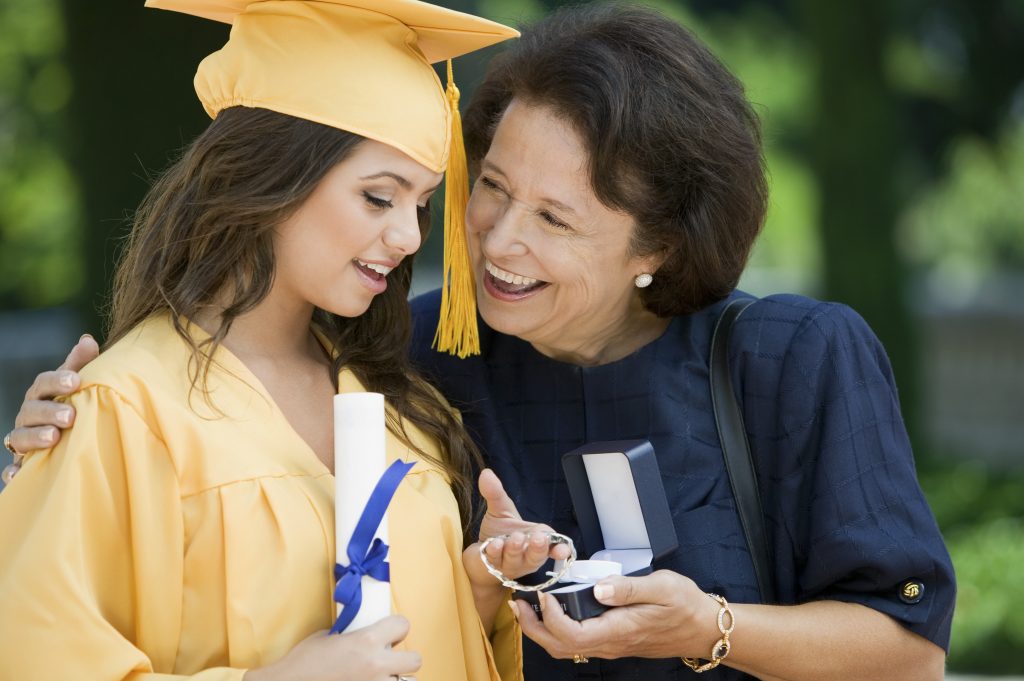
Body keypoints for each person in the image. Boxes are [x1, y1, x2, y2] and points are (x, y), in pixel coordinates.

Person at [8, 3, 956, 681]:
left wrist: (692, 625)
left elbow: (908, 651)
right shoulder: (403, 368)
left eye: (556, 217)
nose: (488, 243)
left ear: (656, 246)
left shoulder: (784, 361)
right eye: (489, 189)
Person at [0, 2, 569, 680]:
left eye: (421, 204)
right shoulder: (125, 409)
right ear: (270, 176)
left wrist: (476, 583)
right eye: (379, 197)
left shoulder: (400, 404)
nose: (411, 237)